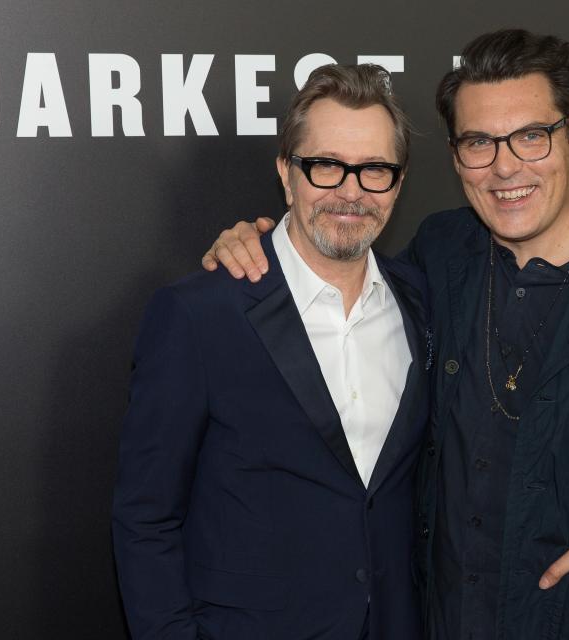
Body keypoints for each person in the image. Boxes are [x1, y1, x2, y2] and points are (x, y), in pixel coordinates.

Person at [204, 30, 569, 639]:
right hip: (446, 619)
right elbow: (334, 270)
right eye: (478, 142)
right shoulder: (439, 255)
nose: (504, 167)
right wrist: (259, 242)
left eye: (530, 136)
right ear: (455, 156)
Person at [113, 64, 430, 640]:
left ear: (399, 181)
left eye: (375, 169)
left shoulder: (423, 302)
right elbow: (146, 516)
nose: (351, 190)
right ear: (287, 173)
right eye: (326, 165)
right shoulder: (198, 314)